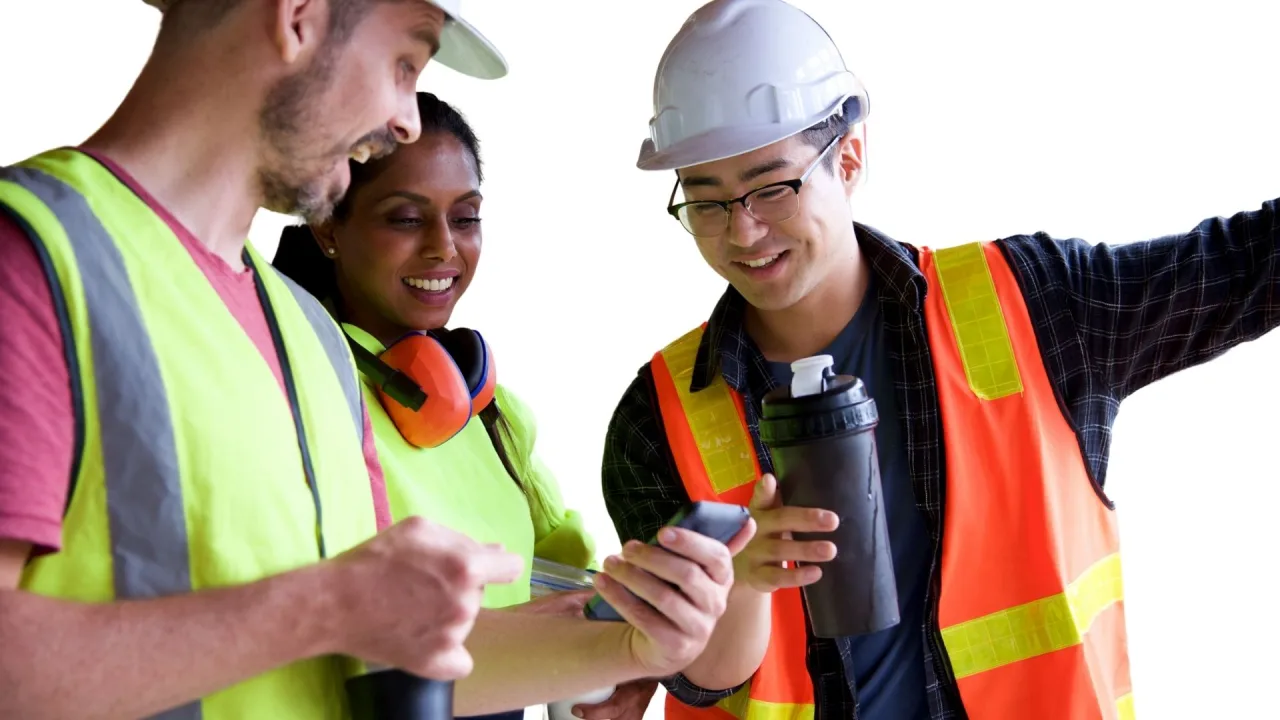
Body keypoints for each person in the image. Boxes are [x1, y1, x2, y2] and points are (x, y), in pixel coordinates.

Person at [0, 2, 743, 718]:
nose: (406, 119)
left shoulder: (309, 337)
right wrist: (321, 606)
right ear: (298, 15)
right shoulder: (33, 261)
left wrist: (630, 645)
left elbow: (369, 665)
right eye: (404, 61)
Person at [600, 1, 1280, 719]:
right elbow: (697, 677)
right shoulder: (658, 418)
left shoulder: (1033, 308)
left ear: (850, 159)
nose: (743, 229)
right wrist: (740, 579)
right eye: (707, 203)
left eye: (773, 187)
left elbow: (1245, 265)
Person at [271, 90, 662, 718]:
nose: (444, 248)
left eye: (466, 217)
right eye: (406, 218)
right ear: (326, 227)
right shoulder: (290, 381)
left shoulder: (492, 410)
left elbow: (572, 579)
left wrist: (623, 658)